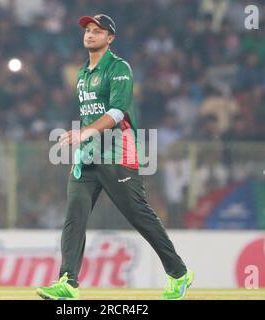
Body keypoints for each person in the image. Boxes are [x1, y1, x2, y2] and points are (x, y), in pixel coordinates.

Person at [36, 14, 193, 300]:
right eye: (87, 30)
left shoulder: (119, 68)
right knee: (75, 215)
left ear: (110, 39)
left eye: (98, 31)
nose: (90, 34)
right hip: (88, 157)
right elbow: (90, 113)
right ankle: (68, 282)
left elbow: (118, 112)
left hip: (118, 151)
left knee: (139, 215)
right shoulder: (83, 74)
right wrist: (82, 142)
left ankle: (179, 274)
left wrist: (84, 132)